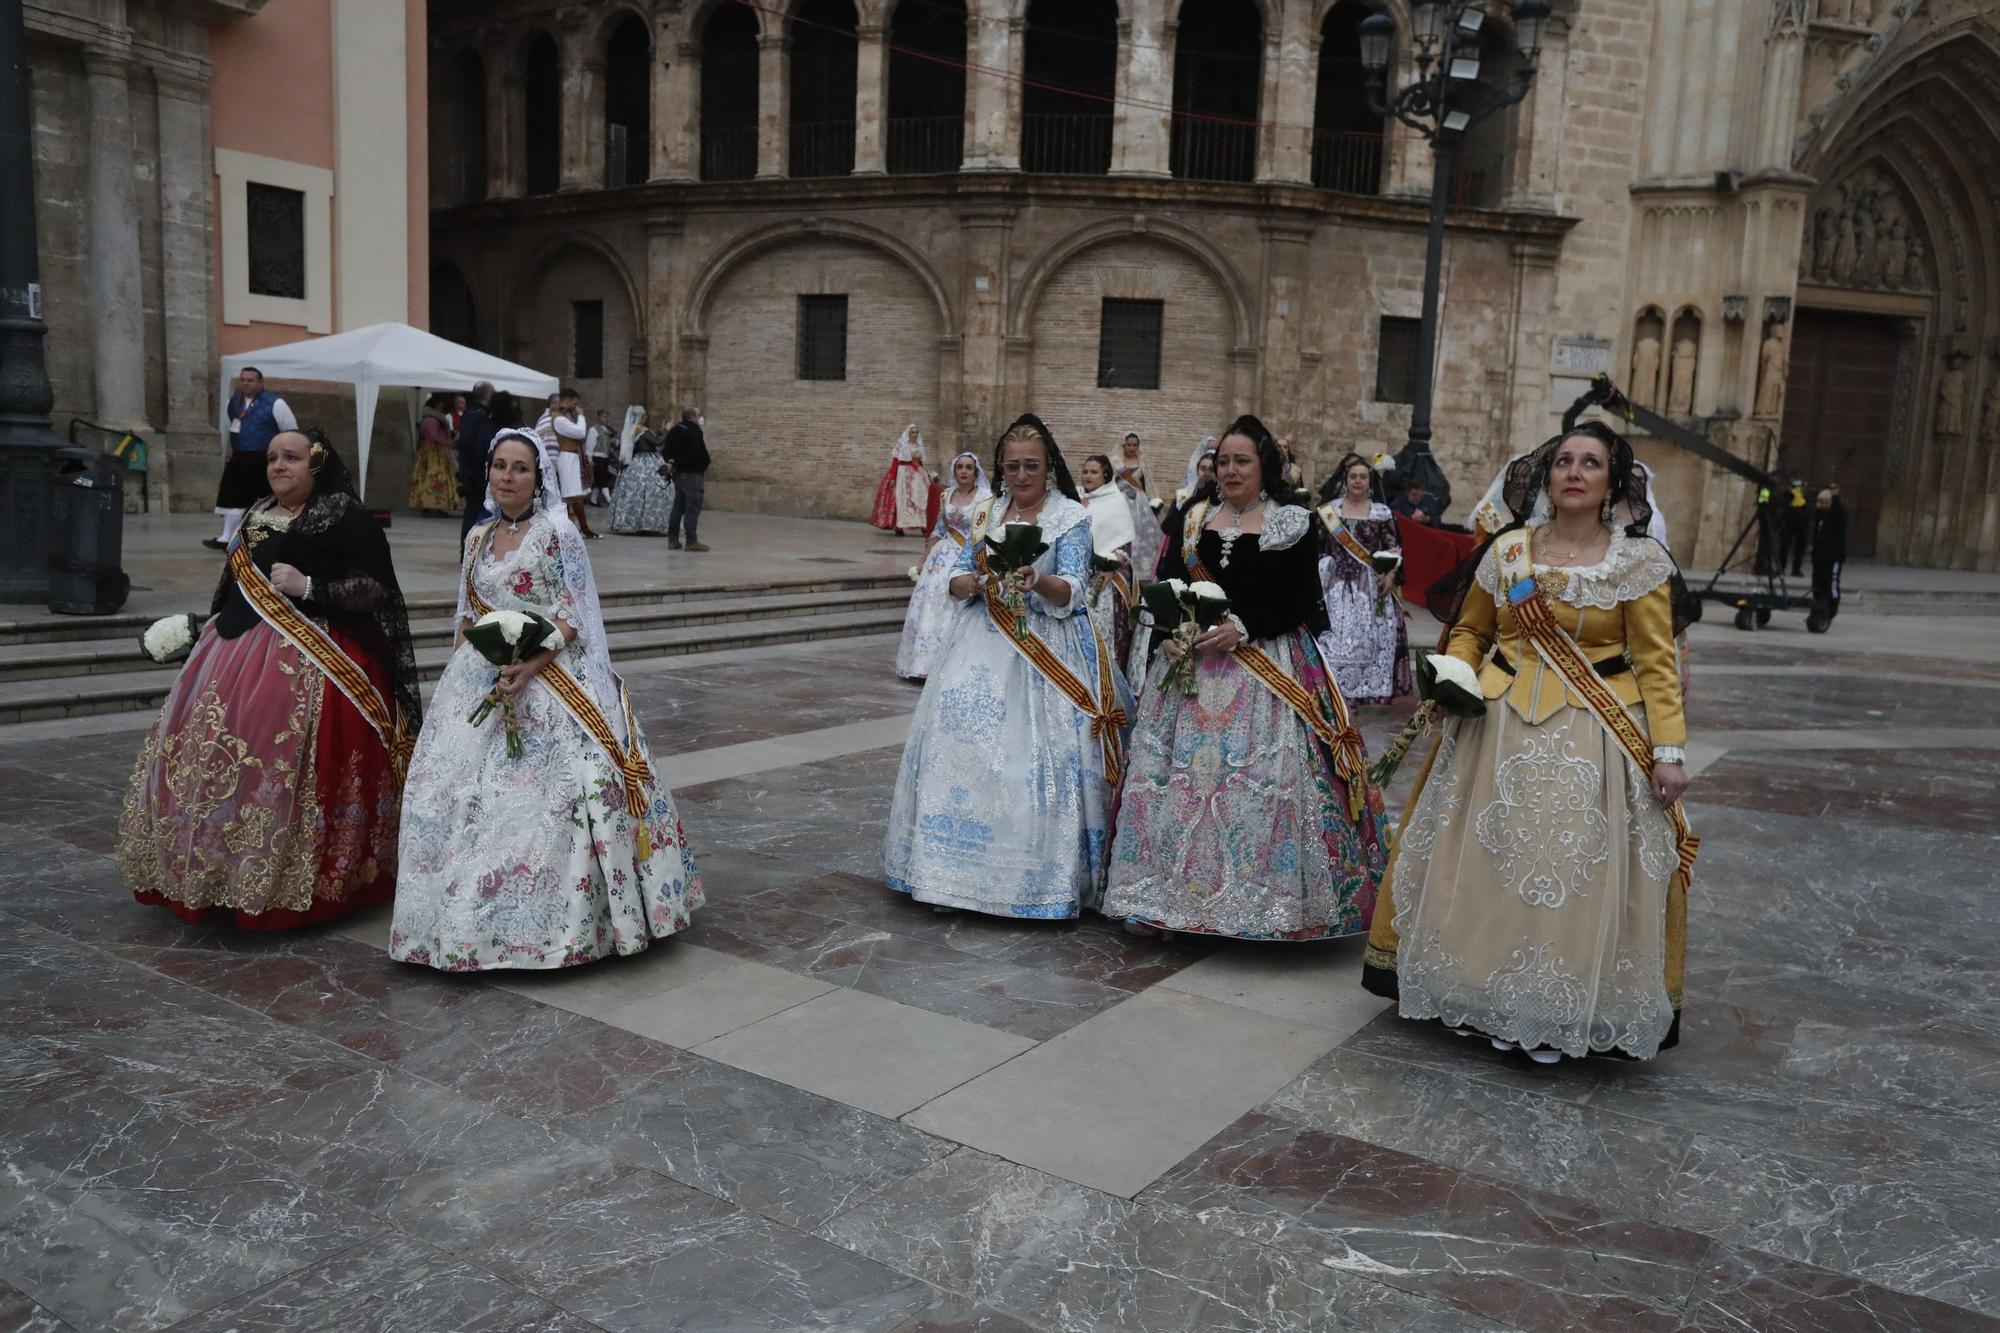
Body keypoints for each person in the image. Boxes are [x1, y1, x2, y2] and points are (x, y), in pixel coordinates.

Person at [1362, 422, 1699, 1063]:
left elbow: (1657, 665)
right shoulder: (1508, 552)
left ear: (1610, 483)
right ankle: (1477, 991)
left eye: (1591, 463)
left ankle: (1562, 1007)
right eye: (1564, 461)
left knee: (1573, 873)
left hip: (1596, 734)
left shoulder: (1638, 563)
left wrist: (1670, 752)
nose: (1574, 471)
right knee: (1488, 863)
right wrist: (1456, 674)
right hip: (1496, 725)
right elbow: (1470, 631)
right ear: (1547, 477)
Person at [390, 429, 702, 971]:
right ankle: (454, 922)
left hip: (553, 677)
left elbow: (574, 614)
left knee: (558, 799)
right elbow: (465, 616)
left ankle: (563, 927)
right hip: (479, 680)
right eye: (500, 466)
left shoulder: (557, 534)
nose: (508, 477)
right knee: (451, 795)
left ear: (539, 479)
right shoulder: (476, 538)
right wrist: (461, 681)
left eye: (521, 468)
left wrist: (531, 665)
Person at [121, 428, 420, 927]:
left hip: (320, 653)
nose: (279, 466)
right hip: (234, 653)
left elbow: (375, 591)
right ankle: (220, 872)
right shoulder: (254, 517)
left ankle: (298, 880)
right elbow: (231, 590)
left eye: (292, 458)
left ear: (316, 466)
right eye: (273, 458)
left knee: (281, 754)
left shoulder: (344, 518)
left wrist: (310, 586)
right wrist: (199, 632)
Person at [1106, 417, 1387, 941]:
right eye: (1225, 461)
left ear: (1265, 467)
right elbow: (1166, 583)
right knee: (1177, 784)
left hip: (1267, 666)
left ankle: (1263, 906)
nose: (1230, 470)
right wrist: (1167, 631)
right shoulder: (1192, 519)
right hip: (1189, 672)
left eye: (1242, 461)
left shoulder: (1292, 522)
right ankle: (1157, 897)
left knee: (1258, 788)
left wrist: (1244, 626)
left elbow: (1300, 599)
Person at [884, 414, 1131, 919]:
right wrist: (974, 583)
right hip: (979, 642)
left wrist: (1036, 581)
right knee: (962, 746)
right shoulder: (986, 514)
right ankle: (949, 876)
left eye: (1032, 466)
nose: (1022, 475)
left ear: (1049, 467)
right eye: (1013, 466)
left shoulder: (1069, 516)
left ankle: (1032, 877)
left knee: (1035, 757)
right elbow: (955, 578)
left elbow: (1076, 588)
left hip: (1048, 645)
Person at [1317, 452, 1413, 705]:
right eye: (1353, 477)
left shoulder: (1381, 513)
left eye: (1363, 477)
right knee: (1332, 639)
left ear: (1370, 481)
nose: (1358, 481)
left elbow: (1394, 548)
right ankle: (1333, 690)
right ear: (1345, 480)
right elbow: (1318, 546)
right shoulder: (1330, 512)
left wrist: (1391, 575)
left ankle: (1366, 691)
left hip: (1370, 585)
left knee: (1373, 637)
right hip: (1334, 585)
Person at [895, 450, 991, 680]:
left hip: (968, 557)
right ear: (954, 471)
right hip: (941, 559)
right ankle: (923, 663)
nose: (964, 471)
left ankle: (955, 663)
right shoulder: (946, 496)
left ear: (975, 471)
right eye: (960, 467)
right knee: (931, 604)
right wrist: (925, 557)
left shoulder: (985, 497)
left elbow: (988, 530)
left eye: (969, 467)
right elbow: (938, 529)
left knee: (958, 604)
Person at [207, 366, 298, 550]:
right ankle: (226, 537)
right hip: (239, 458)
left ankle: (263, 537)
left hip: (263, 461)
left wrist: (284, 459)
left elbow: (290, 431)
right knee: (232, 498)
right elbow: (228, 425)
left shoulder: (276, 404)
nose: (246, 383)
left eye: (250, 380)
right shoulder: (232, 403)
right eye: (243, 380)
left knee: (264, 500)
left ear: (260, 382)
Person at [1079, 453, 1139, 669]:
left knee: (1102, 637)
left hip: (1104, 582)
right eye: (1085, 471)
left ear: (1105, 474)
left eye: (1093, 472)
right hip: (1076, 576)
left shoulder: (1116, 500)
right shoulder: (1075, 498)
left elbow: (1124, 544)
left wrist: (1111, 568)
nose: (1088, 476)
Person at [539, 387, 597, 539]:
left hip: (573, 458)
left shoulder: (564, 416)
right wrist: (582, 416)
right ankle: (556, 528)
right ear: (569, 401)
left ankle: (582, 528)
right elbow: (580, 432)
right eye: (574, 403)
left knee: (575, 496)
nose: (575, 407)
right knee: (568, 496)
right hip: (567, 457)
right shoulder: (558, 418)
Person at [610, 409, 676, 536]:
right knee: (652, 491)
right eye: (644, 416)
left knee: (641, 493)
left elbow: (652, 439)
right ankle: (648, 524)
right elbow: (658, 442)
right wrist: (667, 430)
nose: (646, 417)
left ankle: (641, 523)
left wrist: (661, 430)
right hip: (647, 462)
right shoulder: (639, 429)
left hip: (639, 462)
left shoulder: (635, 428)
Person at [871, 423, 933, 536]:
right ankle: (899, 527)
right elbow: (895, 461)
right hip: (903, 473)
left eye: (916, 432)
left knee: (920, 499)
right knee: (902, 499)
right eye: (913, 432)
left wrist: (925, 473)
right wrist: (893, 477)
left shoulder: (919, 446)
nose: (915, 435)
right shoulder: (902, 445)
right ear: (909, 433)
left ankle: (923, 525)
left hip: (917, 475)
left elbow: (920, 462)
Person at [662, 407, 710, 551]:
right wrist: (677, 463)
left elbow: (666, 450)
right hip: (692, 474)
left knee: (678, 507)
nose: (699, 419)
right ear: (691, 417)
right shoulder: (694, 431)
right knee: (692, 508)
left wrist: (671, 462)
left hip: (678, 475)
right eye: (698, 416)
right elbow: (694, 453)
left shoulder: (675, 429)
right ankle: (691, 541)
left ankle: (673, 540)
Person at [458, 382, 499, 542]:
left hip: (475, 470)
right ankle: (467, 546)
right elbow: (467, 443)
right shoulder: (476, 414)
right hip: (474, 472)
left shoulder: (477, 413)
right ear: (487, 395)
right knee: (474, 510)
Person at [408, 392, 459, 516]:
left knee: (432, 479)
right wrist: (450, 443)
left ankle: (434, 506)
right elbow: (434, 436)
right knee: (434, 479)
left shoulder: (432, 419)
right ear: (437, 405)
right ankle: (432, 506)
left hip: (433, 453)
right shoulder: (431, 420)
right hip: (433, 454)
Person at [1808, 487, 1847, 631]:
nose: (1823, 505)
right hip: (1819, 559)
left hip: (1832, 558)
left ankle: (1829, 613)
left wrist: (1835, 497)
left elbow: (1839, 512)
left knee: (1831, 586)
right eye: (1821, 503)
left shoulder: (1837, 516)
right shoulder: (1819, 518)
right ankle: (1817, 611)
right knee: (1817, 586)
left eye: (1826, 503)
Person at [587, 407, 617, 506]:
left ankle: (593, 500)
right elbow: (590, 445)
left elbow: (614, 442)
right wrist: (590, 459)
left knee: (598, 480)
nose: (606, 419)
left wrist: (615, 442)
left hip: (605, 457)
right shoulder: (593, 430)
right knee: (602, 479)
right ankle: (610, 500)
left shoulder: (608, 430)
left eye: (607, 417)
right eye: (604, 416)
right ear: (598, 417)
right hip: (597, 457)